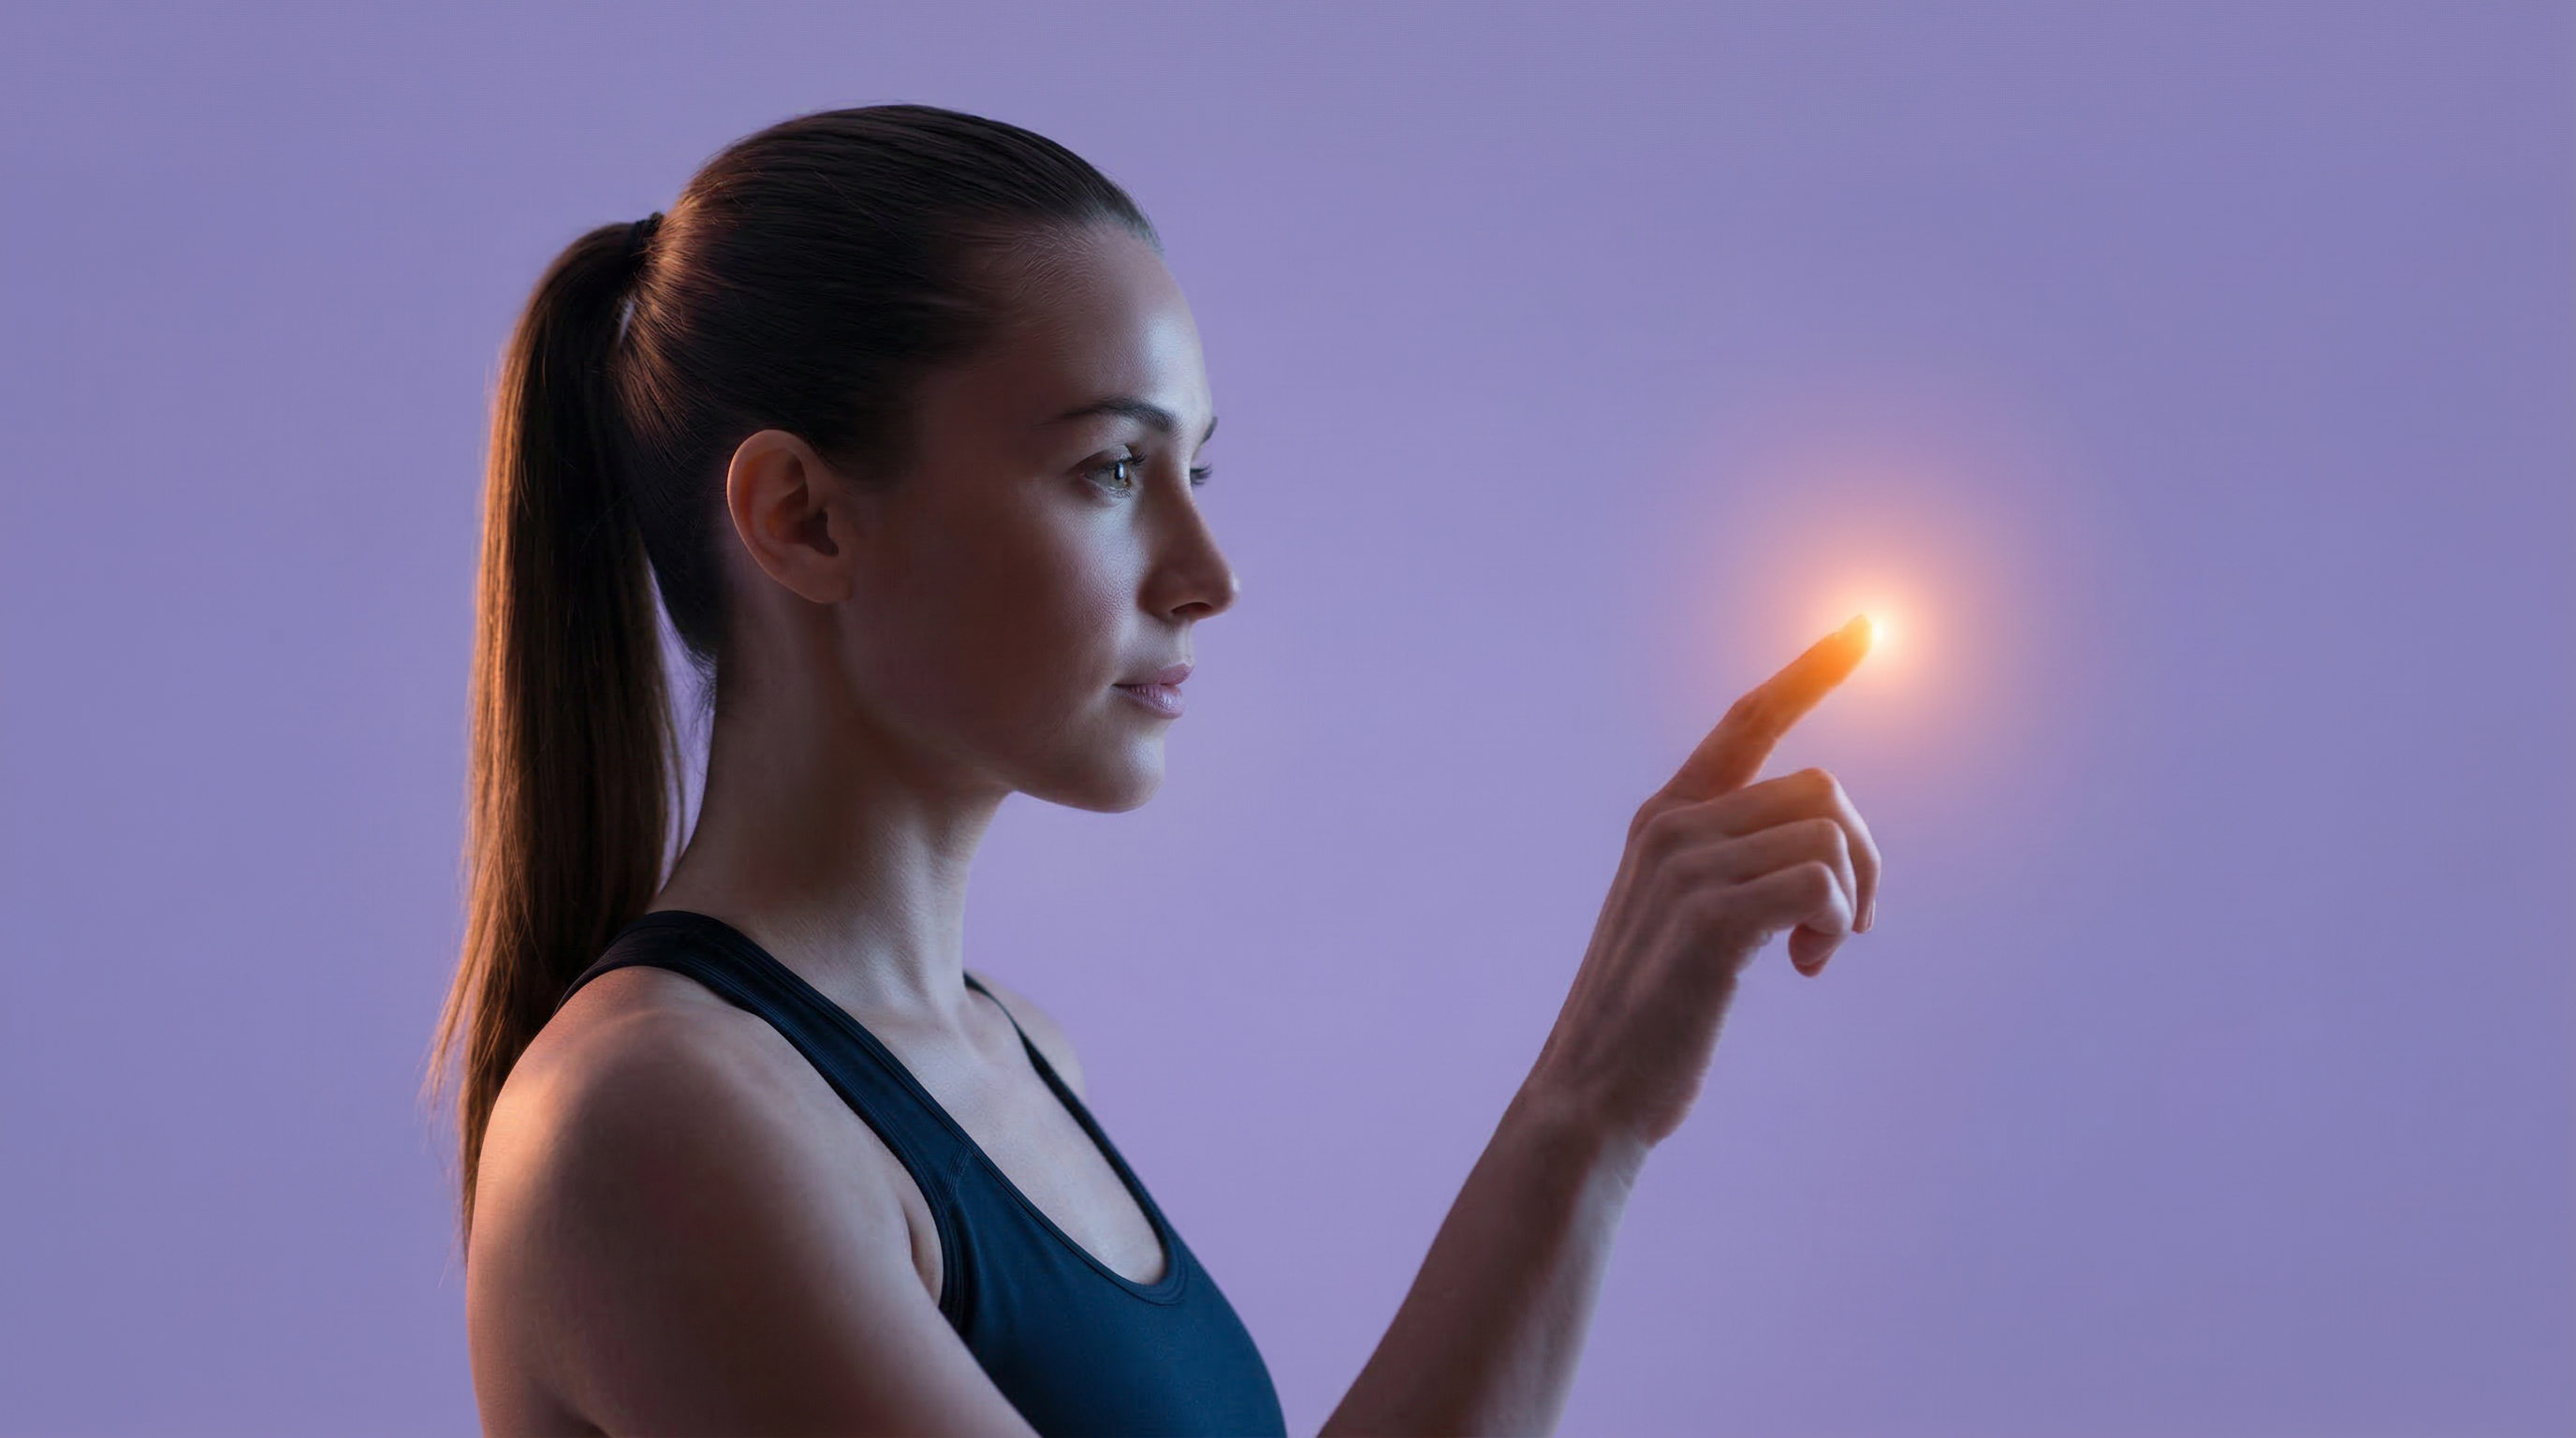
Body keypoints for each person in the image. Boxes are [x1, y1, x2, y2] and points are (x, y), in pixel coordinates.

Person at [435, 103, 1882, 1437]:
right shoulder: (651, 1123)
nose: (1207, 575)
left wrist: (1599, 1104)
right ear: (805, 519)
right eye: (1111, 472)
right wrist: (1585, 1102)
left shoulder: (1011, 1058)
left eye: (1198, 470)